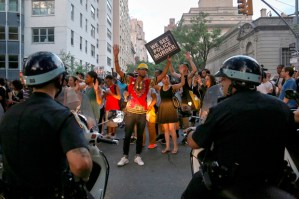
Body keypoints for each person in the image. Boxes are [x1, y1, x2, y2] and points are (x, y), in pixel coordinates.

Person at [182, 55, 297, 199]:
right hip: (273, 180)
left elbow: (195, 142)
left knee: (193, 190)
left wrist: (189, 134)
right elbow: (292, 142)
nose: (221, 83)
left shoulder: (222, 108)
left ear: (235, 80)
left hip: (231, 181)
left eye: (223, 79)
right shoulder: (281, 107)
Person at [0, 51, 93, 198]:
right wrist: (85, 175)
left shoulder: (9, 114)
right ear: (59, 79)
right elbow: (81, 164)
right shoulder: (63, 115)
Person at [113, 44, 170, 166]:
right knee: (127, 135)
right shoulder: (130, 80)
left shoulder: (149, 82)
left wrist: (168, 64)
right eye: (142, 69)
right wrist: (116, 56)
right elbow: (118, 71)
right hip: (130, 112)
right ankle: (125, 157)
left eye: (145, 70)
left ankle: (138, 156)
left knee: (140, 136)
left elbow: (161, 77)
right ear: (138, 70)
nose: (144, 71)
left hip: (142, 114)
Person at [153, 71, 185, 154]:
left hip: (171, 109)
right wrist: (159, 77)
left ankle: (175, 147)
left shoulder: (172, 87)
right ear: (161, 80)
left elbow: (182, 83)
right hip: (163, 109)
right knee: (166, 130)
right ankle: (167, 147)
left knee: (172, 129)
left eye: (167, 77)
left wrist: (181, 74)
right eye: (164, 78)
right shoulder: (160, 88)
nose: (166, 79)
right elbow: (151, 83)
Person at [169, 52, 197, 130]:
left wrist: (190, 60)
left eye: (182, 66)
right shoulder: (180, 76)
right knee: (182, 117)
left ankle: (188, 135)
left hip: (187, 98)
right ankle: (187, 133)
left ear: (186, 68)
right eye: (180, 66)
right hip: (181, 98)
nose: (180, 67)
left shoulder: (188, 76)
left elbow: (194, 70)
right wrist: (169, 62)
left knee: (185, 117)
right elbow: (172, 72)